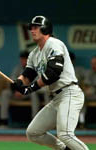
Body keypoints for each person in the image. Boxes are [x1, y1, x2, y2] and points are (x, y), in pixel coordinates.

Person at [11, 15, 89, 150]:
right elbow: (28, 74)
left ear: (45, 29)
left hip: (69, 93)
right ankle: (64, 149)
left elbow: (53, 73)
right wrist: (19, 82)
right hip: (57, 98)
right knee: (33, 132)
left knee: (65, 134)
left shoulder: (54, 43)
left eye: (36, 27)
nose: (32, 30)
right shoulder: (34, 54)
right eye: (31, 28)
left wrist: (29, 88)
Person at [0, 51, 49, 127]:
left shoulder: (35, 68)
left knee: (34, 94)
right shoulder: (17, 68)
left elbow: (36, 84)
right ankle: (3, 121)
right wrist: (16, 91)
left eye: (25, 59)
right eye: (22, 59)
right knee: (5, 93)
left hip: (29, 92)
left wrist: (25, 90)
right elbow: (12, 82)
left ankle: (34, 121)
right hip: (17, 93)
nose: (23, 61)